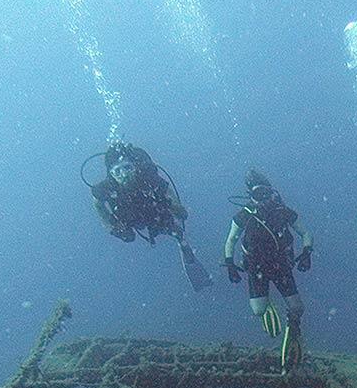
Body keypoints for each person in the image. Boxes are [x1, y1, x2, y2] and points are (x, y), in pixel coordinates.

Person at [87, 142, 211, 291]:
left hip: (154, 212)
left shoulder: (149, 177)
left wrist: (170, 205)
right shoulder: (105, 188)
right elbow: (98, 204)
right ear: (111, 174)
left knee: (177, 232)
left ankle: (188, 254)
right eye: (117, 171)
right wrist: (112, 228)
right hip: (129, 217)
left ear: (135, 166)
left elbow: (178, 207)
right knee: (129, 237)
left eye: (127, 168)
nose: (124, 175)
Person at [224, 169, 313, 373]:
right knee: (258, 311)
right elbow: (231, 240)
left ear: (271, 193)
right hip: (256, 268)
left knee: (297, 308)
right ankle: (267, 304)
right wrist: (229, 263)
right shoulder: (244, 215)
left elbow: (305, 232)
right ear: (251, 196)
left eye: (265, 193)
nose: (263, 199)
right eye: (257, 195)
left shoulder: (283, 211)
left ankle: (294, 329)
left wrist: (307, 251)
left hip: (281, 266)